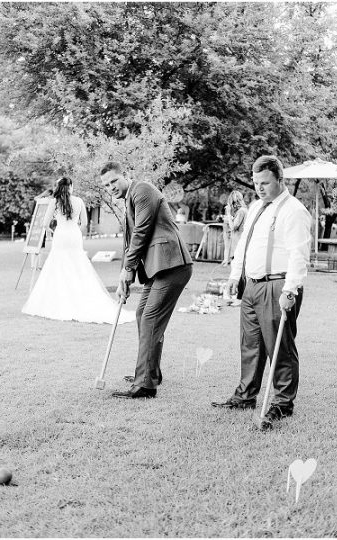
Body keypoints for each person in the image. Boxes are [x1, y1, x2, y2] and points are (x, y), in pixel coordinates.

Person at [212, 155, 312, 430]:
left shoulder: (294, 210)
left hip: (277, 285)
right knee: (250, 344)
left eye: (265, 182)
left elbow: (299, 254)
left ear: (280, 179)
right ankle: (245, 396)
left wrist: (290, 290)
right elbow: (244, 244)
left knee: (279, 346)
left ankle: (282, 402)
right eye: (256, 182)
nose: (259, 188)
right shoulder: (256, 207)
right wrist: (235, 276)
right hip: (252, 285)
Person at [100, 162, 194, 399]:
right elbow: (130, 243)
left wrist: (128, 269)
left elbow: (141, 232)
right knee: (143, 315)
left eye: (114, 181)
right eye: (106, 185)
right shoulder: (128, 200)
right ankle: (151, 372)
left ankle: (145, 385)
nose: (111, 187)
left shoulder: (142, 190)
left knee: (150, 318)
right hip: (157, 268)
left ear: (125, 175)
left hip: (171, 264)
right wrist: (124, 278)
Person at [22, 177, 136, 325]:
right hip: (74, 235)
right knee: (77, 264)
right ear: (71, 186)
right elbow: (84, 223)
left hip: (61, 235)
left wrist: (52, 230)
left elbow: (45, 223)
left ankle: (60, 300)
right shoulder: (79, 201)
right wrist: (75, 231)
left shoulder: (54, 202)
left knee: (58, 265)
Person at [222, 190, 248, 266]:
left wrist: (228, 213)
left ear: (235, 202)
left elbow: (233, 227)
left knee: (237, 266)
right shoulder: (244, 210)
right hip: (240, 242)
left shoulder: (241, 211)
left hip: (239, 243)